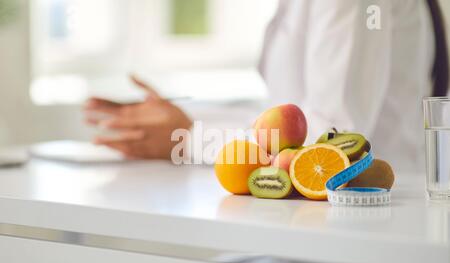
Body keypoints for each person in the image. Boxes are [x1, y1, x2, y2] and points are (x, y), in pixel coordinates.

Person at [84, 0, 448, 171]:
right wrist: (175, 119)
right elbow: (290, 112)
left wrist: (189, 138)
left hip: (366, 244)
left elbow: (330, 142)